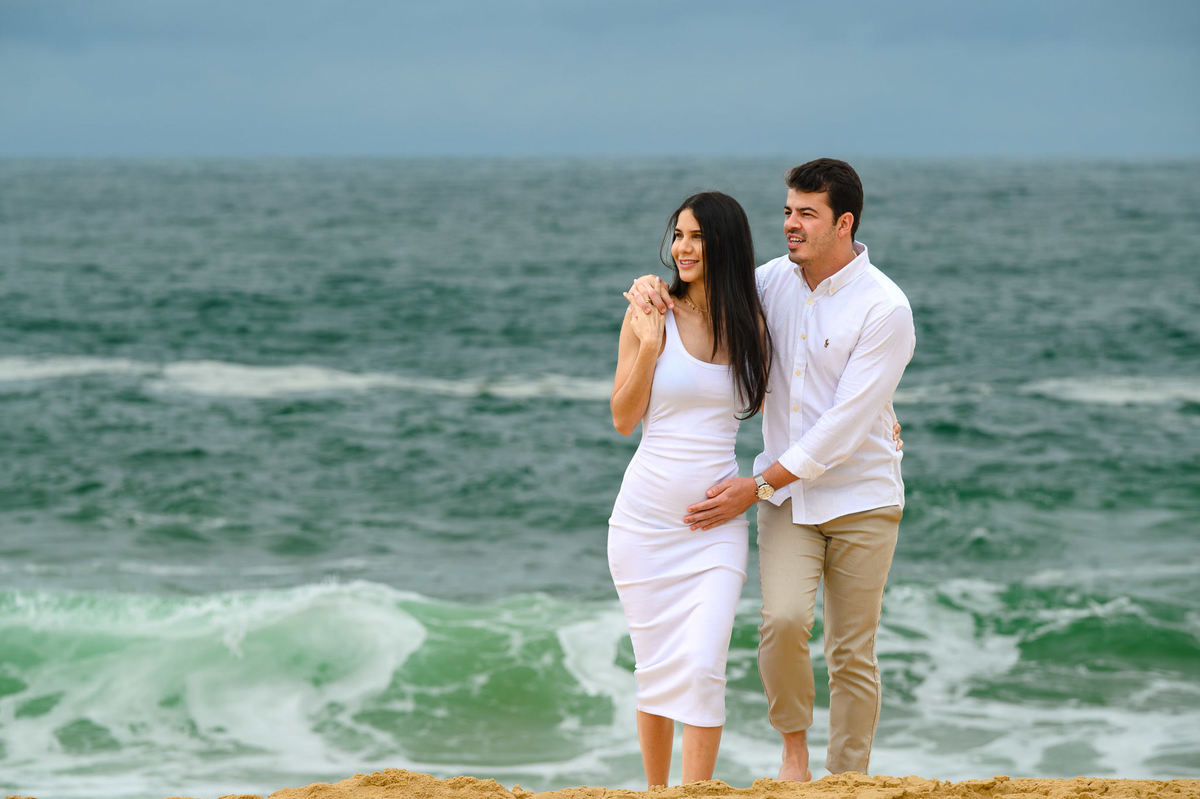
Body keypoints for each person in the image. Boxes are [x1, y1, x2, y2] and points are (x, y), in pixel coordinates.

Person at [628, 158, 915, 780]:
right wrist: (651, 289)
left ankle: (847, 780)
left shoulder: (885, 308)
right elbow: (704, 284)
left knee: (850, 651)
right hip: (788, 499)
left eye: (806, 214)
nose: (791, 224)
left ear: (844, 223)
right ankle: (794, 751)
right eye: (787, 211)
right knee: (782, 622)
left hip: (860, 494)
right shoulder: (769, 285)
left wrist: (755, 487)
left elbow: (840, 429)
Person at [608, 191, 771, 787]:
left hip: (716, 528)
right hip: (643, 525)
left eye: (698, 236)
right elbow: (624, 418)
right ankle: (656, 791)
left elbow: (793, 407)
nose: (683, 247)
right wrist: (650, 347)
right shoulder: (649, 312)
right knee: (656, 670)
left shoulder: (753, 322)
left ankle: (696, 791)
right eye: (678, 234)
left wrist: (760, 483)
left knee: (702, 666)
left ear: (724, 244)